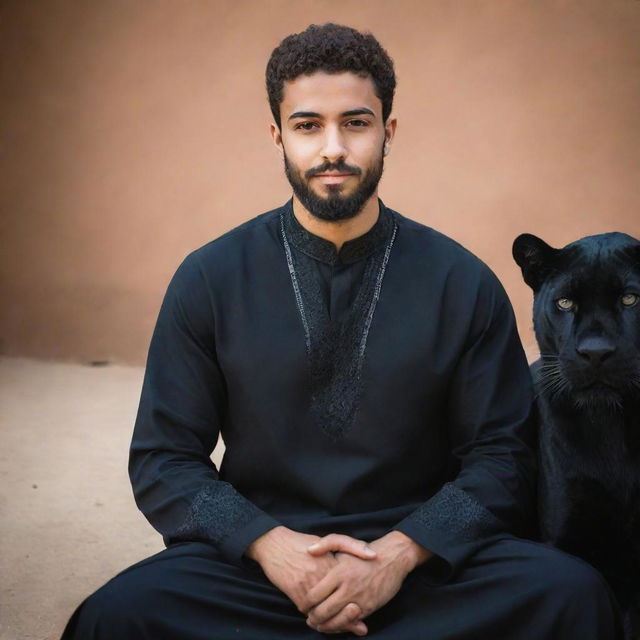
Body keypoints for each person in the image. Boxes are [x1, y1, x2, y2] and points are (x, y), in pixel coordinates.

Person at [61, 23, 622, 639]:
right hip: (259, 572)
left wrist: (399, 555)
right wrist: (273, 550)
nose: (333, 148)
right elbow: (165, 458)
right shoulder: (210, 278)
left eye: (356, 123)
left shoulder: (462, 282)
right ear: (277, 135)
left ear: (388, 131)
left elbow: (504, 457)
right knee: (113, 617)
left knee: (571, 596)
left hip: (426, 570)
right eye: (308, 126)